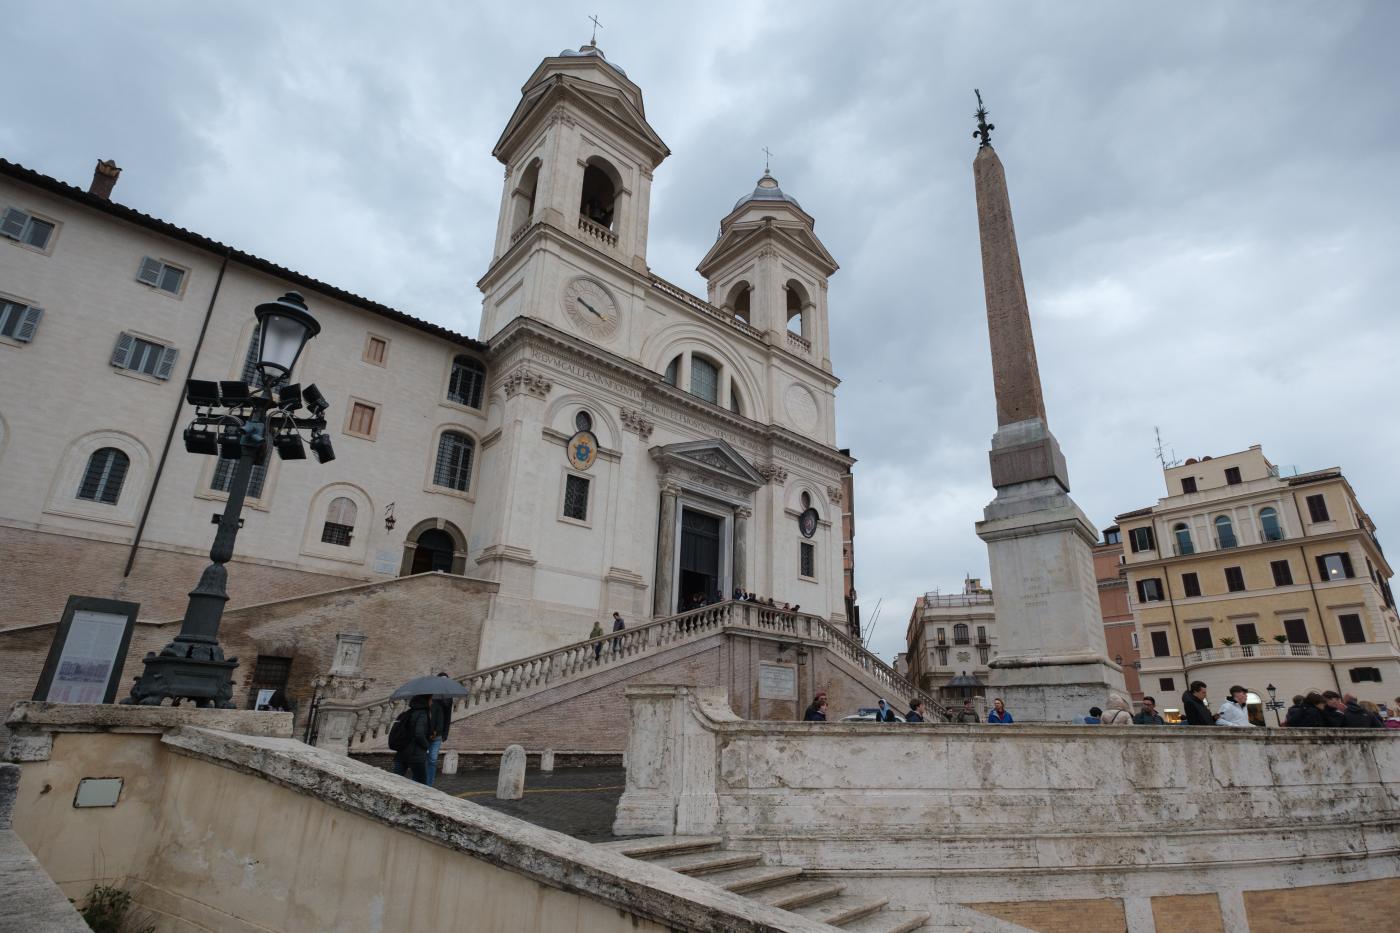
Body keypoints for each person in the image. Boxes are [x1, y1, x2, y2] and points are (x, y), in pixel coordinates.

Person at [392, 694, 432, 784]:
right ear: (425, 701)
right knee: (421, 782)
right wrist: (426, 745)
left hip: (402, 751)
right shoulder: (423, 714)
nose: (432, 702)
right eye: (430, 700)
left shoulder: (408, 713)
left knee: (395, 780)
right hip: (416, 754)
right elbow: (419, 734)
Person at [427, 675, 453, 787]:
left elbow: (448, 717)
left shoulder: (448, 698)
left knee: (433, 759)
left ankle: (429, 783)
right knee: (422, 757)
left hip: (438, 733)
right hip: (426, 732)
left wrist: (445, 732)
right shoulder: (430, 694)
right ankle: (419, 780)